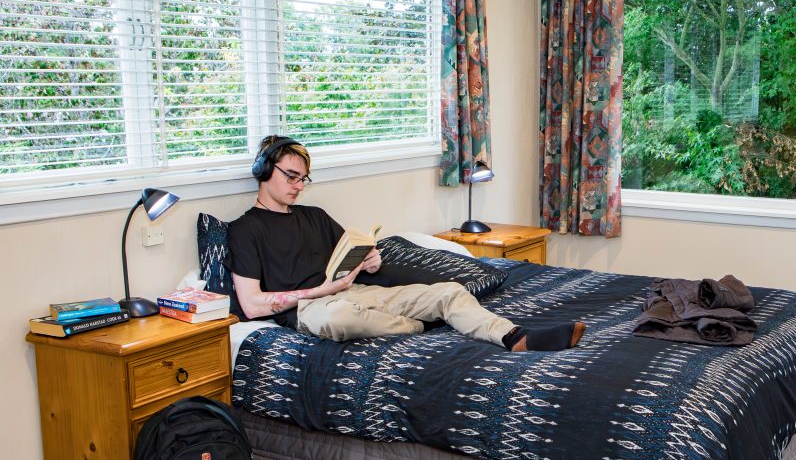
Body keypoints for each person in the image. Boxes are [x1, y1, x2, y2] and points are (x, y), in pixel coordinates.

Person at [226, 135, 585, 352]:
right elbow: (253, 305)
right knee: (340, 317)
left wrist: (370, 259)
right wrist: (321, 289)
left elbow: (354, 254)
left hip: (353, 294)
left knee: (449, 291)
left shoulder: (314, 215)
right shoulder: (246, 229)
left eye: (304, 178)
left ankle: (513, 337)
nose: (299, 185)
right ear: (263, 171)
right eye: (291, 176)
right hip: (310, 310)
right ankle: (415, 325)